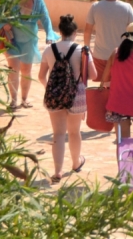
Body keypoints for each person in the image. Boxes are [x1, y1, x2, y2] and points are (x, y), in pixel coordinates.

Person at [38, 13, 94, 183]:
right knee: (74, 132)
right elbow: (93, 74)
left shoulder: (49, 50)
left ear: (60, 31)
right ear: (74, 32)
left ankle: (57, 171)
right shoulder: (81, 50)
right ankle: (76, 163)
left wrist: (53, 88)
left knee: (58, 134)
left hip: (55, 97)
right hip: (76, 96)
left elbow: (41, 76)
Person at [0, 0, 56, 111]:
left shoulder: (38, 1)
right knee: (13, 68)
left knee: (26, 70)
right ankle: (13, 101)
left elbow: (45, 19)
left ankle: (24, 99)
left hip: (29, 40)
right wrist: (4, 24)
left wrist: (49, 34)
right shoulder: (10, 0)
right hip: (12, 40)